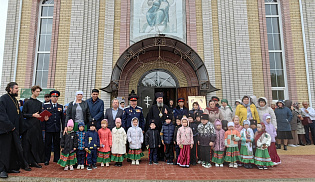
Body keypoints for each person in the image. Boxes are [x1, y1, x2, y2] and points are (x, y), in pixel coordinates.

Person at [0, 82, 31, 178]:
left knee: (13, 149)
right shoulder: (3, 99)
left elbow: (19, 115)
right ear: (10, 89)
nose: (18, 90)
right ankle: (2, 170)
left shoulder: (14, 100)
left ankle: (11, 167)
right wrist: (10, 126)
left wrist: (23, 126)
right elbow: (1, 115)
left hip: (14, 130)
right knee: (4, 150)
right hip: (5, 130)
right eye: (16, 88)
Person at [22, 85, 45, 168]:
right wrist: (32, 115)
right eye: (37, 91)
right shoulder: (27, 102)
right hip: (28, 126)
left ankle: (33, 161)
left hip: (36, 126)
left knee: (35, 144)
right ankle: (26, 163)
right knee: (27, 145)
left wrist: (44, 117)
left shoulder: (39, 103)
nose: (38, 93)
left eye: (39, 92)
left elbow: (40, 115)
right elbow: (23, 114)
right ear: (33, 91)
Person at [146, 92, 170, 161]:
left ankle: (163, 157)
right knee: (156, 143)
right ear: (156, 99)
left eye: (161, 98)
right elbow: (149, 118)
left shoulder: (166, 107)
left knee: (162, 143)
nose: (160, 100)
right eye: (159, 98)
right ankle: (155, 157)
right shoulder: (153, 108)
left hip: (164, 129)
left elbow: (169, 118)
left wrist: (166, 114)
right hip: (155, 129)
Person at [43, 90, 64, 166]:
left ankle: (57, 158)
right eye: (53, 96)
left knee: (56, 143)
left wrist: (63, 128)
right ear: (51, 97)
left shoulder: (60, 106)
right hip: (49, 128)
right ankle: (46, 159)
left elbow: (62, 118)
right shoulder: (46, 106)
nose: (55, 98)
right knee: (47, 144)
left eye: (56, 97)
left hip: (57, 128)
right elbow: (42, 117)